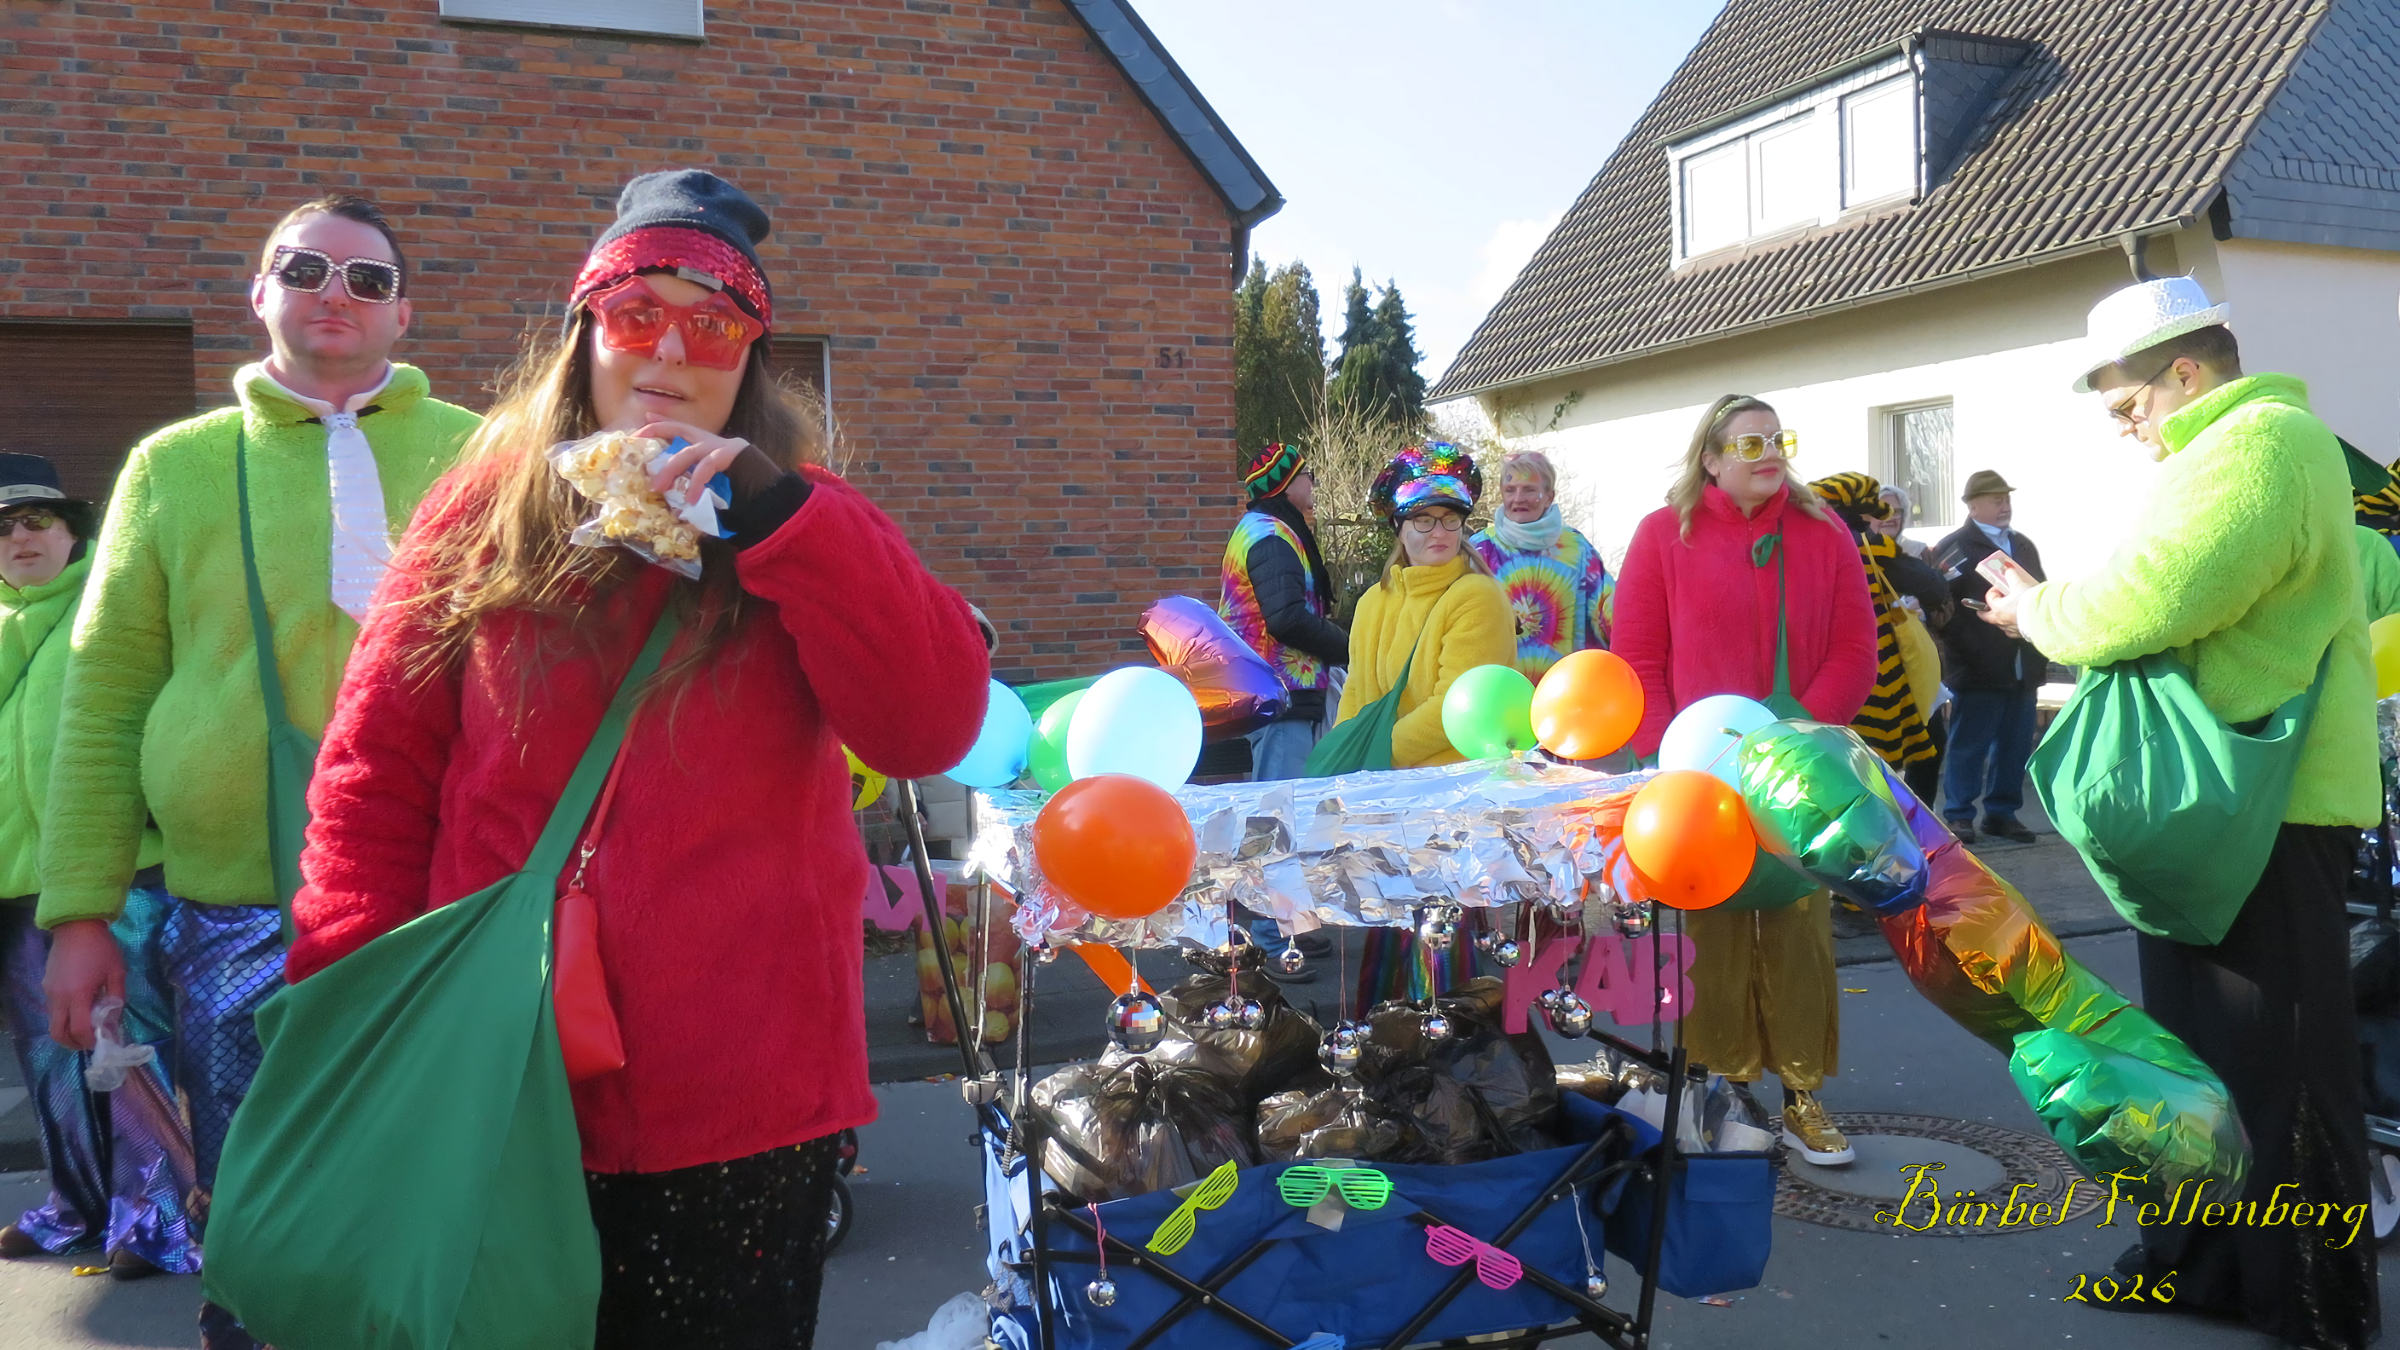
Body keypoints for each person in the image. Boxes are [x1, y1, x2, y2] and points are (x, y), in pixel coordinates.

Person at [285, 170, 988, 1347]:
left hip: (745, 1110)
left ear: (752, 359)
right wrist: (349, 1014)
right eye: (636, 313)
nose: (669, 350)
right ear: (585, 329)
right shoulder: (480, 512)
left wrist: (786, 520)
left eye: (714, 325)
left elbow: (927, 729)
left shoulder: (806, 518)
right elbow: (373, 782)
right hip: (498, 1081)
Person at [38, 195, 477, 1348]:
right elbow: (105, 693)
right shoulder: (173, 466)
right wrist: (81, 911)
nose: (335, 292)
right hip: (234, 904)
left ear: (404, 313)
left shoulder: (478, 452)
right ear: (260, 291)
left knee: (426, 1185)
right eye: (305, 268)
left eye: (367, 279)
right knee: (254, 1187)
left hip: (440, 896)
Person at [1982, 277, 2378, 1348]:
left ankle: (2314, 1305)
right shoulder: (2241, 449)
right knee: (2198, 1064)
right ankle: (2208, 1269)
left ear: (2186, 373)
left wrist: (2036, 610)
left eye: (2128, 406)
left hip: (2265, 806)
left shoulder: (2262, 443)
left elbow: (2149, 599)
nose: (2125, 429)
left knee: (2278, 1068)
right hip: (2230, 802)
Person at [1612, 396, 1877, 1166]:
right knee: (1709, 935)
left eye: (1777, 439)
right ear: (1712, 459)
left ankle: (1801, 1095)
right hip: (1699, 776)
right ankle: (1717, 1090)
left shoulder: (1823, 533)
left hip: (1799, 770)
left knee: (1798, 932)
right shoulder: (1663, 535)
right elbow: (1638, 658)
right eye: (1750, 443)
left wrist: (1800, 745)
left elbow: (1856, 649)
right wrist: (1671, 757)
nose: (1770, 453)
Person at [0, 456, 196, 1280]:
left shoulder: (109, 609)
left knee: (132, 1049)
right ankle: (74, 1208)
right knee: (51, 1057)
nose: (19, 537)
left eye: (37, 520)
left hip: (119, 875)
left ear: (74, 532)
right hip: (19, 885)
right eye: (2, 527)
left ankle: (157, 1218)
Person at [1338, 443, 1514, 1005]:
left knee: (1442, 963)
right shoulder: (1374, 601)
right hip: (1388, 801)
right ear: (1399, 526)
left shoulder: (1477, 596)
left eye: (1450, 519)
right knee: (1389, 947)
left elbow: (1453, 707)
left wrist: (1373, 761)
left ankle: (1451, 1052)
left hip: (1449, 805)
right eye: (1423, 519)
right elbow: (1356, 698)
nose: (1439, 531)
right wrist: (1347, 776)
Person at [1930, 471, 2047, 843]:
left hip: (2021, 664)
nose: (2004, 506)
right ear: (1972, 506)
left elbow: (2039, 593)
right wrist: (1970, 650)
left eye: (2006, 499)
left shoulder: (2022, 544)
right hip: (1977, 667)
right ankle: (1959, 815)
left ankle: (2001, 813)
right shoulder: (1955, 546)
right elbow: (1940, 607)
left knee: (2015, 744)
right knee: (1969, 744)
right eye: (1996, 500)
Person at [1219, 442, 1347, 780]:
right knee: (1281, 804)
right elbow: (1286, 618)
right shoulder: (1271, 536)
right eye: (1307, 475)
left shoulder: (1263, 530)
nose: (1312, 483)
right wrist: (1347, 647)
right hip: (1280, 696)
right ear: (1287, 484)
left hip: (1274, 693)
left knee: (1285, 802)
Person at [1808, 472, 1938, 778]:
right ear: (1861, 512)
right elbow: (1931, 585)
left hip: (1815, 675)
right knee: (1878, 773)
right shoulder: (1869, 546)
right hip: (1872, 673)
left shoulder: (1799, 544)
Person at [1466, 449, 1614, 679]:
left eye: (1529, 489)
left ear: (1549, 497)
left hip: (1564, 688)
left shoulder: (1576, 547)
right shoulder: (1480, 549)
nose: (1518, 498)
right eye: (1510, 490)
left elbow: (1608, 606)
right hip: (1499, 688)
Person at [1874, 483, 1930, 558]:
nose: (1889, 518)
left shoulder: (1918, 552)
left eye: (1895, 512)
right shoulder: (1860, 553)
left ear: (1904, 517)